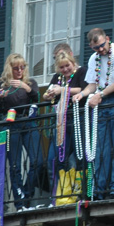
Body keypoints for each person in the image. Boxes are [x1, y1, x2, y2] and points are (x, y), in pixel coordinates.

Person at [72, 28, 114, 199]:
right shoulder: (94, 58)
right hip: (103, 103)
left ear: (107, 39)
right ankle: (98, 189)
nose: (100, 50)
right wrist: (82, 94)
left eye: (101, 45)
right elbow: (92, 84)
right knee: (100, 149)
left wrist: (100, 94)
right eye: (95, 48)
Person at [0, 53, 43, 210]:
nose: (20, 71)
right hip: (11, 124)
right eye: (16, 68)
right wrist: (1, 97)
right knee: (14, 165)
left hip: (29, 122)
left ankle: (26, 194)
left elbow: (37, 100)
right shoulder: (2, 83)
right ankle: (19, 202)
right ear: (10, 69)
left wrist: (27, 88)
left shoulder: (30, 82)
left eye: (23, 67)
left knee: (38, 161)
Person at [43, 51, 88, 199]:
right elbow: (46, 94)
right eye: (61, 67)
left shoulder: (81, 72)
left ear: (73, 63)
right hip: (62, 122)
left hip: (78, 119)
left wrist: (62, 90)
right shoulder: (58, 78)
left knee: (80, 158)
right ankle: (57, 195)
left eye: (67, 65)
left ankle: (81, 194)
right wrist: (48, 94)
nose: (65, 69)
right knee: (54, 160)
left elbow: (83, 89)